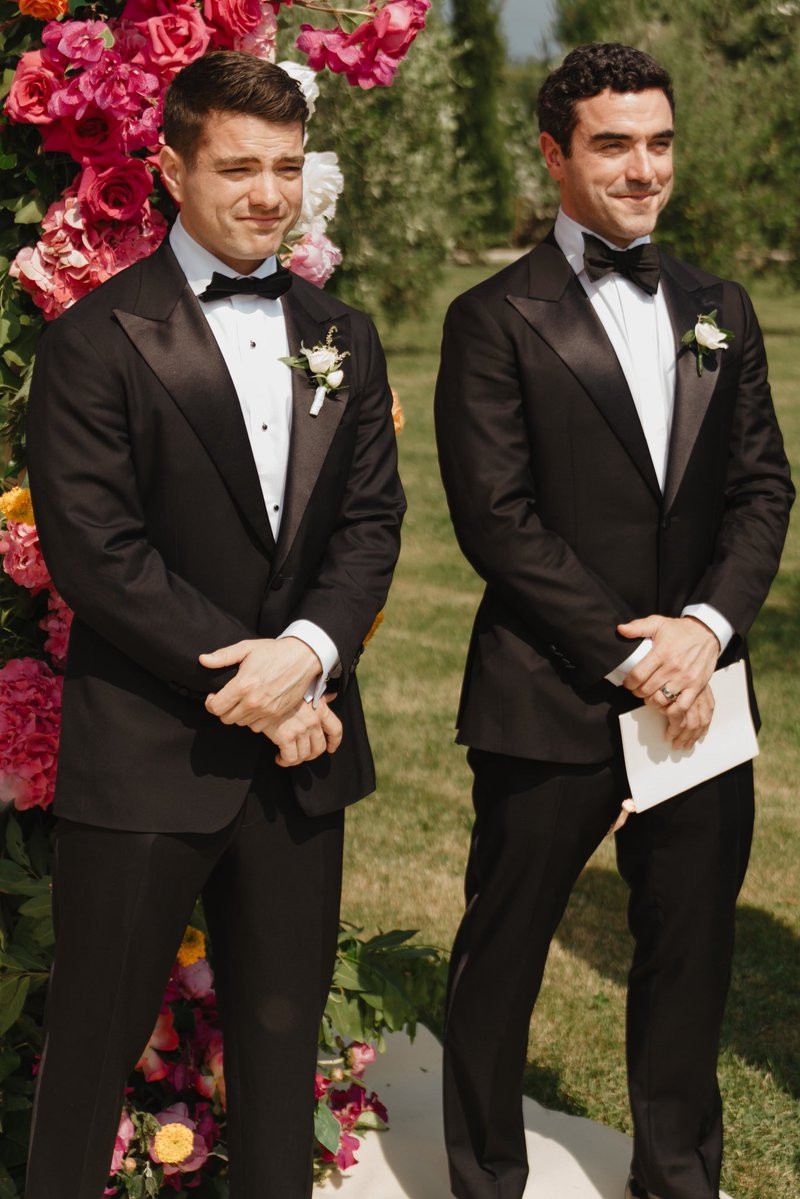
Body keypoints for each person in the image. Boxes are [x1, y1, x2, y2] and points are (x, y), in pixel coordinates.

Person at [24, 51, 405, 1199]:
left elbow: (370, 524)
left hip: (301, 767)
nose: (267, 193)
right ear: (169, 169)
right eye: (238, 167)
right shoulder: (95, 339)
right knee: (90, 1050)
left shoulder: (343, 334)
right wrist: (265, 690)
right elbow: (100, 553)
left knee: (281, 1060)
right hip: (149, 756)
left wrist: (311, 655)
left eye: (285, 167)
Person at [434, 42, 793, 1199]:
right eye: (612, 145)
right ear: (554, 154)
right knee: (502, 951)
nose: (643, 169)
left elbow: (760, 488)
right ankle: (485, 1174)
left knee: (690, 951)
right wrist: (637, 654)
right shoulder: (491, 316)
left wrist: (704, 629)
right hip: (547, 690)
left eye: (658, 143)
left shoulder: (717, 306)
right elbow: (496, 519)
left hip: (700, 697)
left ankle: (675, 1175)